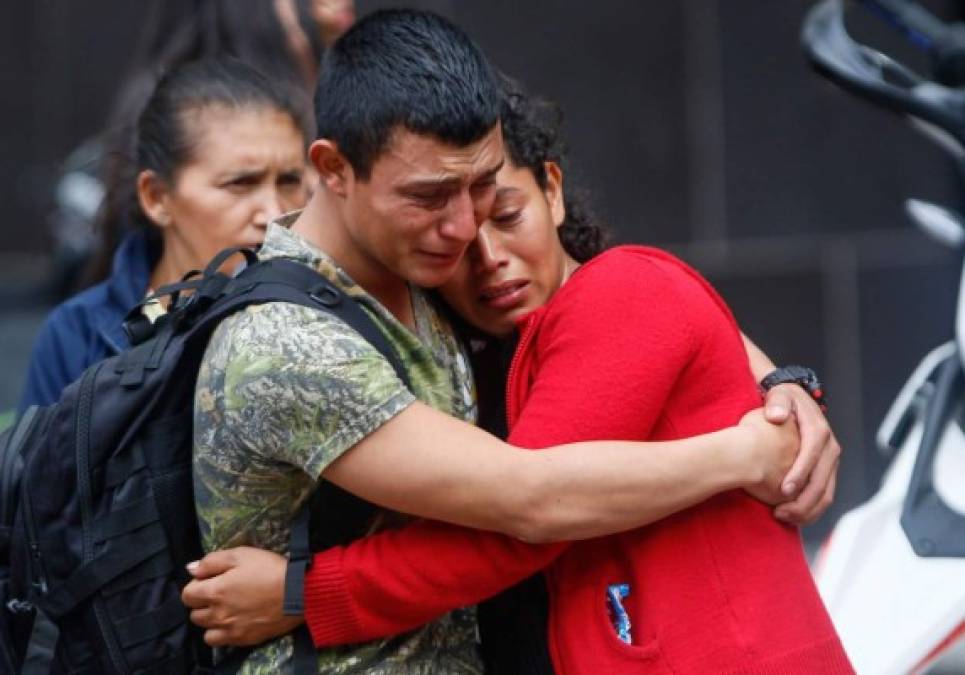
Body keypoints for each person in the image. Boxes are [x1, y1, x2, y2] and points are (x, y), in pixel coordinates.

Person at [187, 10, 843, 674]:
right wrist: (747, 443)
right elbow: (532, 500)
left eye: (494, 202)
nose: (469, 232)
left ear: (551, 189)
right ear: (333, 170)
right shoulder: (301, 335)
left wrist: (782, 392)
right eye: (432, 198)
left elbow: (536, 500)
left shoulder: (578, 289)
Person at [18, 58, 310, 412]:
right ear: (156, 197)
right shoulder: (80, 334)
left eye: (289, 181)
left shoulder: (323, 318)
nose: (273, 212)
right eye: (240, 183)